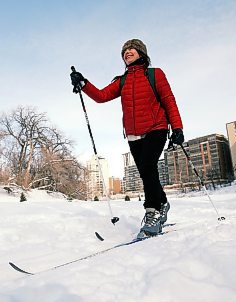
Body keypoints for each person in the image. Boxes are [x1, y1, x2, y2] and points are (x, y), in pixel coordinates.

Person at [70, 39, 184, 239]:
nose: (127, 52)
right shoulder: (122, 81)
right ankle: (163, 202)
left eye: (131, 49)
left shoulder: (155, 74)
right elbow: (101, 96)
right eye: (124, 51)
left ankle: (153, 212)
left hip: (156, 128)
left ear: (141, 52)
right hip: (133, 135)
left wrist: (177, 128)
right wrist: (83, 83)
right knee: (147, 173)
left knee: (148, 166)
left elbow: (169, 100)